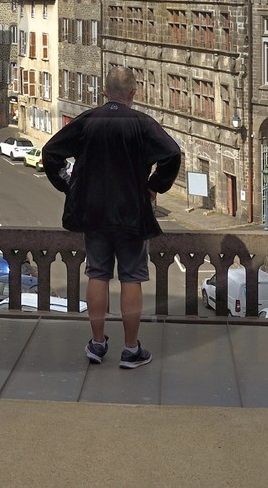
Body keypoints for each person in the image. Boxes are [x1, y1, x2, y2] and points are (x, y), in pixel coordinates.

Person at [43, 65, 181, 369]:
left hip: (93, 212)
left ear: (104, 93)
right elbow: (172, 155)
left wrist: (68, 186)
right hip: (132, 212)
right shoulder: (143, 124)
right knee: (132, 277)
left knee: (98, 273)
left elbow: (51, 152)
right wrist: (153, 187)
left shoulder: (87, 120)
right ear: (133, 93)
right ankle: (131, 350)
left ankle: (97, 343)